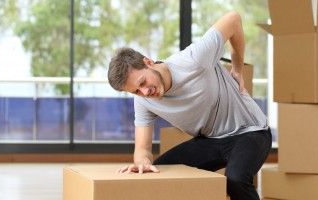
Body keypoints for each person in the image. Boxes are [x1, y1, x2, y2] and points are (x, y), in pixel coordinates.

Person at [108, 11, 271, 200]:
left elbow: (233, 19)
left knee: (235, 179)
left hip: (251, 131)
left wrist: (237, 68)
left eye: (143, 82)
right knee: (160, 173)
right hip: (212, 140)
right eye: (136, 91)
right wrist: (143, 162)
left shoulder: (194, 59)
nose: (144, 92)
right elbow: (142, 149)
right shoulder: (143, 101)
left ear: (148, 62)